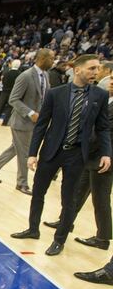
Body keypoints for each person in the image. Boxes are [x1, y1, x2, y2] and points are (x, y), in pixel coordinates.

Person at [11, 54, 111, 256]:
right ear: (77, 69)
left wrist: (106, 153)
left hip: (77, 155)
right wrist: (32, 153)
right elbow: (41, 125)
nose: (96, 72)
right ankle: (33, 229)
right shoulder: (55, 93)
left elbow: (103, 128)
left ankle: (59, 240)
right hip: (51, 151)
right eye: (92, 68)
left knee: (69, 199)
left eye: (97, 68)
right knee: (38, 193)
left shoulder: (99, 96)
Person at [45, 77, 113, 251]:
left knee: (101, 199)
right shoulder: (106, 99)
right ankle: (66, 223)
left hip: (102, 159)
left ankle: (103, 238)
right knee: (76, 194)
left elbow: (104, 133)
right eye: (111, 78)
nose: (110, 81)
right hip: (88, 157)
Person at [0, 49, 54, 195]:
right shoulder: (25, 76)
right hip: (21, 122)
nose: (53, 61)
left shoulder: (46, 75)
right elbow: (13, 99)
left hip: (35, 122)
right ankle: (22, 183)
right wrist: (30, 113)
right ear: (42, 58)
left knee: (15, 149)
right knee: (26, 153)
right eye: (51, 58)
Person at [0, 59, 21, 126]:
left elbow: (3, 81)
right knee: (9, 108)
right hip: (13, 93)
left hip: (4, 92)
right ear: (19, 66)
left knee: (0, 106)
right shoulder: (20, 74)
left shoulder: (7, 73)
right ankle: (5, 122)